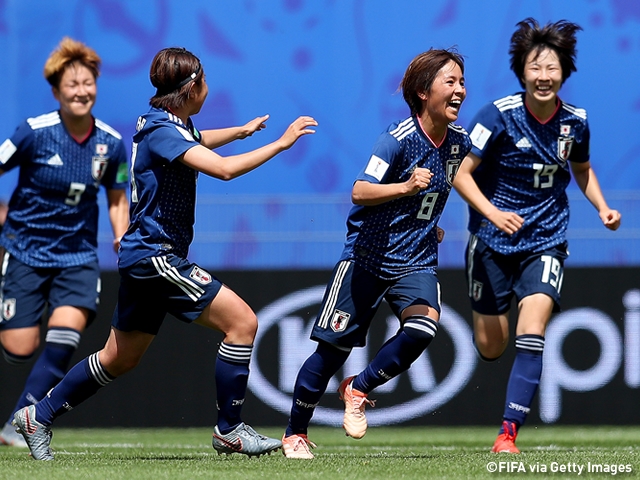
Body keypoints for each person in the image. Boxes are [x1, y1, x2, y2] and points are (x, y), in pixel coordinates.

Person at [12, 46, 318, 461]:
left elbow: (194, 140)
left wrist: (240, 131)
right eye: (205, 81)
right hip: (156, 255)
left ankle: (38, 416)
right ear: (192, 87)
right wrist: (280, 144)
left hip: (144, 256)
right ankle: (229, 430)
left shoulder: (161, 121)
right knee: (243, 322)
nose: (208, 87)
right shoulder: (163, 129)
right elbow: (223, 170)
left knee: (119, 359)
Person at [281, 48, 470, 459]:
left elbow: (434, 193)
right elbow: (359, 191)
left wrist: (426, 221)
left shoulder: (460, 143)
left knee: (423, 329)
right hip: (366, 257)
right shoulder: (396, 139)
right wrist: (405, 188)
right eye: (450, 82)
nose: (460, 90)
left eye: (461, 82)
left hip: (416, 258)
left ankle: (360, 387)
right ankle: (295, 432)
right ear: (422, 92)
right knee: (332, 351)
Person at [452, 18, 621, 454]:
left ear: (565, 71)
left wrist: (602, 208)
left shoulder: (576, 122)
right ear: (522, 72)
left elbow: (581, 171)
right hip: (490, 240)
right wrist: (493, 213)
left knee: (534, 331)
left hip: (546, 238)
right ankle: (491, 330)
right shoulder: (498, 115)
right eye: (535, 68)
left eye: (552, 68)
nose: (544, 77)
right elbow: (460, 174)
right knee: (492, 346)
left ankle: (507, 434)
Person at [0, 37, 129, 447]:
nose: (81, 91)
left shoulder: (111, 143)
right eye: (72, 84)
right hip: (24, 250)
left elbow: (116, 196)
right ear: (56, 92)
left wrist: (121, 235)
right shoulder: (32, 133)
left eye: (88, 82)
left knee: (65, 337)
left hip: (77, 256)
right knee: (20, 348)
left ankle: (19, 424)